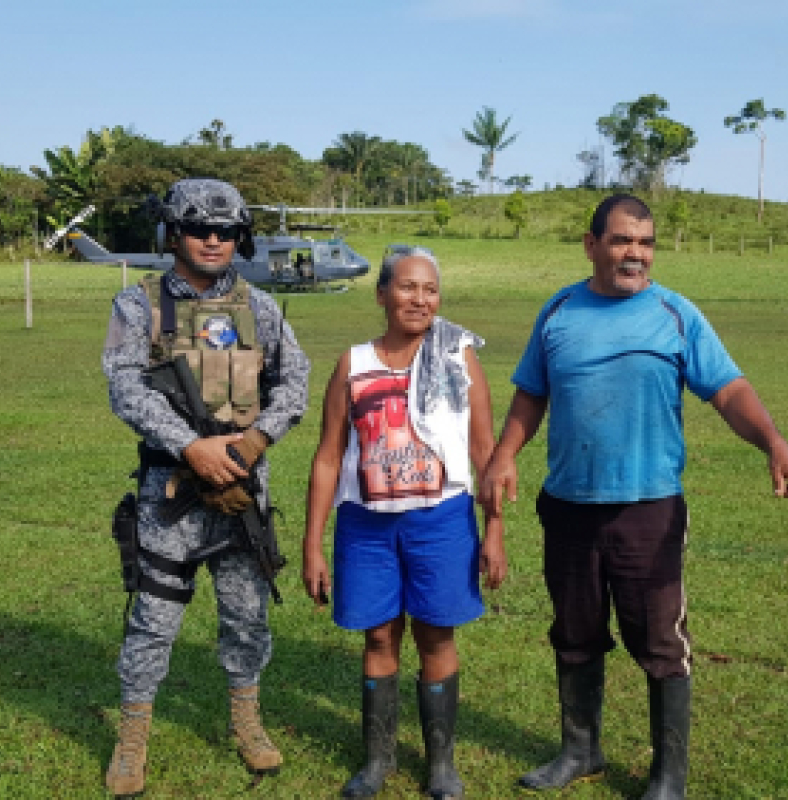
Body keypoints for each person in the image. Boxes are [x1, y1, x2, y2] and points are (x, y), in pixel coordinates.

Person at [478, 194, 788, 800]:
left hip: (648, 508)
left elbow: (728, 391)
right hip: (569, 504)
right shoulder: (558, 312)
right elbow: (532, 393)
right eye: (623, 241)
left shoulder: (676, 314)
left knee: (659, 640)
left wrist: (775, 444)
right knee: (574, 632)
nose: (636, 253)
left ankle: (667, 776)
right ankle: (580, 750)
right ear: (592, 244)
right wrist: (503, 456)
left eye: (646, 243)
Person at [101, 177, 310, 797]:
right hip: (172, 494)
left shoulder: (260, 307)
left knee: (247, 617)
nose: (213, 240)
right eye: (199, 229)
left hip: (242, 491)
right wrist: (190, 446)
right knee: (153, 617)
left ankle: (246, 721)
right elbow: (126, 387)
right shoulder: (137, 307)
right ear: (173, 234)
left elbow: (294, 382)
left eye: (225, 231)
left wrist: (252, 443)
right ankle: (132, 737)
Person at [303, 245, 506, 799]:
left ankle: (441, 764)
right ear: (382, 294)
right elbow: (327, 457)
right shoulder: (354, 363)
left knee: (437, 634)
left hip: (441, 522)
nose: (420, 298)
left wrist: (494, 530)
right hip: (366, 526)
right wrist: (313, 545)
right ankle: (378, 759)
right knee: (378, 634)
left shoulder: (458, 358)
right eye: (408, 287)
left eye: (430, 290)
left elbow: (485, 451)